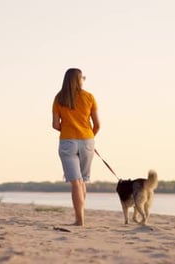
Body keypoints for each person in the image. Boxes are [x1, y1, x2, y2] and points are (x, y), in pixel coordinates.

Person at [52, 68, 100, 226]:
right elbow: (97, 125)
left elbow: (55, 125)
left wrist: (68, 129)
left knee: (76, 182)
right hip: (87, 141)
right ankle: (81, 217)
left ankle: (79, 220)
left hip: (67, 142)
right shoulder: (89, 97)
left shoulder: (59, 98)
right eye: (83, 77)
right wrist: (88, 137)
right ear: (79, 79)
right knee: (83, 181)